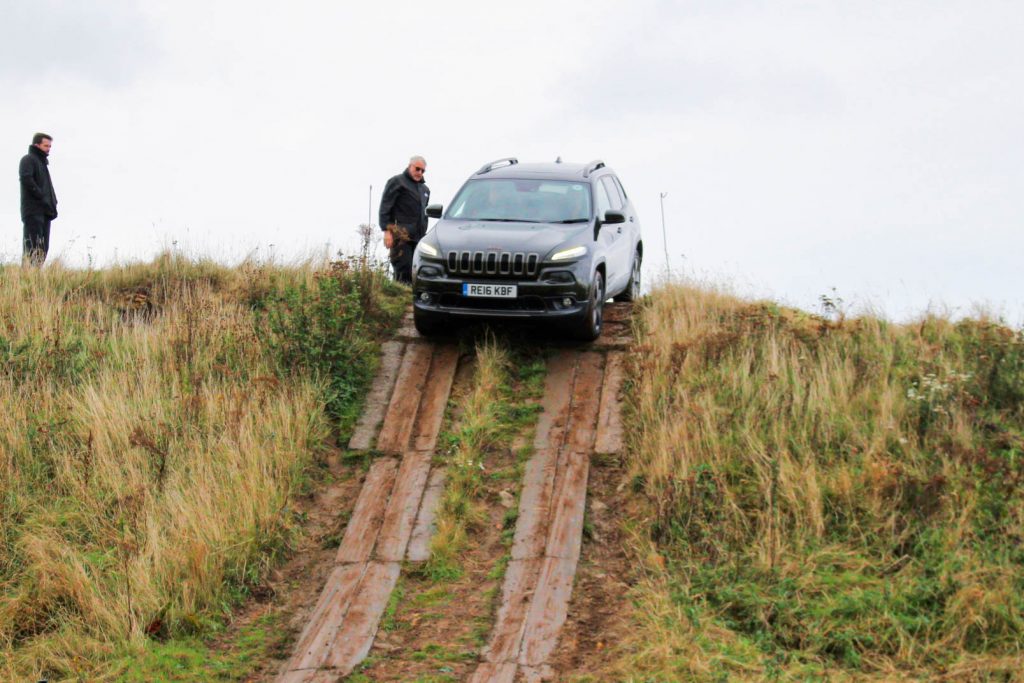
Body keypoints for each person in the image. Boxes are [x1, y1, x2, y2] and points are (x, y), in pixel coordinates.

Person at [379, 155, 430, 283]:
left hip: (418, 238)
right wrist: (387, 231)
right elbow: (385, 207)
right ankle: (398, 300)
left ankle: (410, 301)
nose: (419, 173)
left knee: (416, 273)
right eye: (417, 169)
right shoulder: (397, 182)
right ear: (409, 166)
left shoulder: (425, 190)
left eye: (422, 171)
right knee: (403, 272)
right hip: (401, 237)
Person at [19, 132, 59, 266]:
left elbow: (48, 189)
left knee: (43, 248)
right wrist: (42, 197)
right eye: (46, 146)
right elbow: (26, 179)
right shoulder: (28, 159)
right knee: (32, 246)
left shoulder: (43, 164)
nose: (48, 149)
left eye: (50, 146)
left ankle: (36, 276)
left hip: (45, 212)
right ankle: (27, 277)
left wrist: (53, 203)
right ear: (37, 145)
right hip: (33, 211)